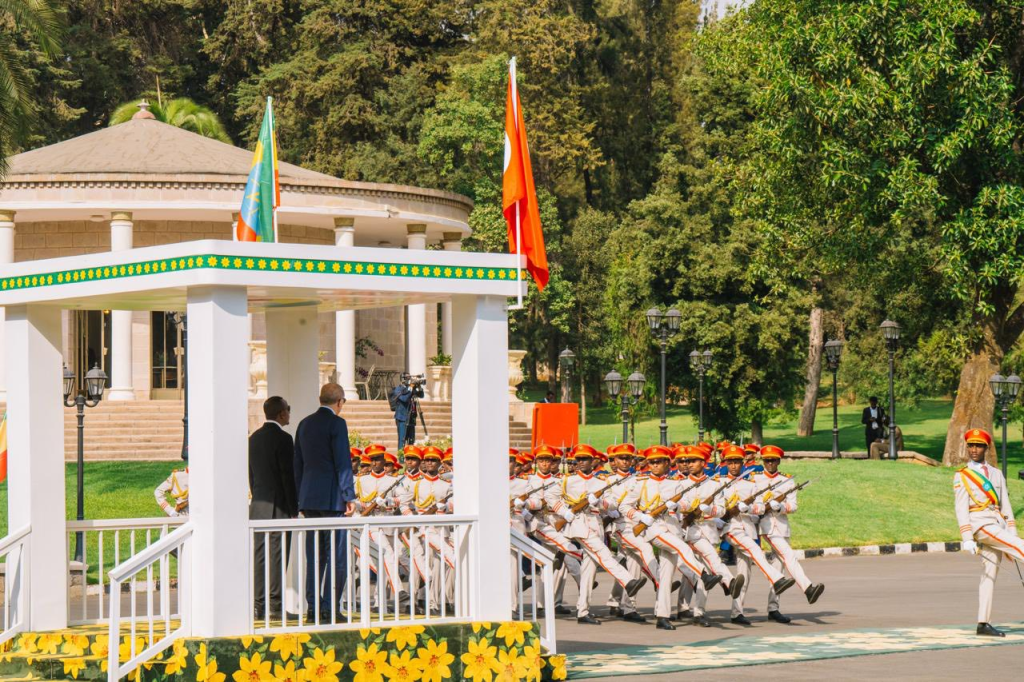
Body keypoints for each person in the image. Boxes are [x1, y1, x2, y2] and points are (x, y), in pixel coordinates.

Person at [555, 444, 646, 625]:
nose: (581, 462)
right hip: (579, 524)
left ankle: (582, 611)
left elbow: (612, 503)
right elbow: (551, 497)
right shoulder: (567, 480)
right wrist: (564, 512)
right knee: (604, 553)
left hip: (595, 523)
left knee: (589, 571)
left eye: (585, 459)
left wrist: (598, 502)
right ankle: (628, 581)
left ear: (593, 461)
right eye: (578, 459)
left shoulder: (602, 482)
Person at [294, 383, 356, 621]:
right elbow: (343, 462)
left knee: (314, 556)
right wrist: (348, 495)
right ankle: (330, 607)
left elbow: (298, 464)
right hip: (332, 499)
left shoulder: (304, 423)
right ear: (339, 402)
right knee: (336, 557)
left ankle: (313, 607)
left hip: (309, 498)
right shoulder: (337, 423)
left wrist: (300, 497)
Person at [955, 428, 1024, 637]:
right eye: (971, 446)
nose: (974, 450)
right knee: (1021, 547)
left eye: (978, 446)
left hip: (997, 524)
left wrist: (1011, 532)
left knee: (989, 574)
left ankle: (983, 623)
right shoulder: (962, 476)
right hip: (980, 525)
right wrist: (967, 537)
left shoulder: (996, 473)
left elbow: (1006, 506)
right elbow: (961, 508)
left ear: (986, 448)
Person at [750, 445, 825, 622]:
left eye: (773, 460)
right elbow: (752, 503)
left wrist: (780, 507)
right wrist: (764, 507)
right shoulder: (755, 479)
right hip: (766, 526)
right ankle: (808, 588)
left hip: (782, 527)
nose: (770, 463)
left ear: (779, 461)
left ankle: (773, 608)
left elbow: (793, 506)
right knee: (789, 555)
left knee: (779, 568)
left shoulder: (787, 481)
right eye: (767, 460)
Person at [249, 396, 298, 620]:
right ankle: (275, 606)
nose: (289, 413)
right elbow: (287, 476)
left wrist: (257, 496)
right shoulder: (284, 438)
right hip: (279, 505)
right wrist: (294, 508)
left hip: (258, 504)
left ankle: (259, 605)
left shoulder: (254, 438)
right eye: (288, 409)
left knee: (260, 556)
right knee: (278, 555)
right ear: (281, 414)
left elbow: (251, 475)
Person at [391, 376, 425, 446]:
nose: (410, 380)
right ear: (403, 380)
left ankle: (410, 452)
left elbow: (421, 395)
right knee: (402, 439)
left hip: (411, 417)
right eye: (408, 378)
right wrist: (411, 388)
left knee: (411, 439)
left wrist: (419, 387)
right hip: (402, 417)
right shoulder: (398, 389)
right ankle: (401, 453)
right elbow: (405, 399)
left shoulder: (410, 389)